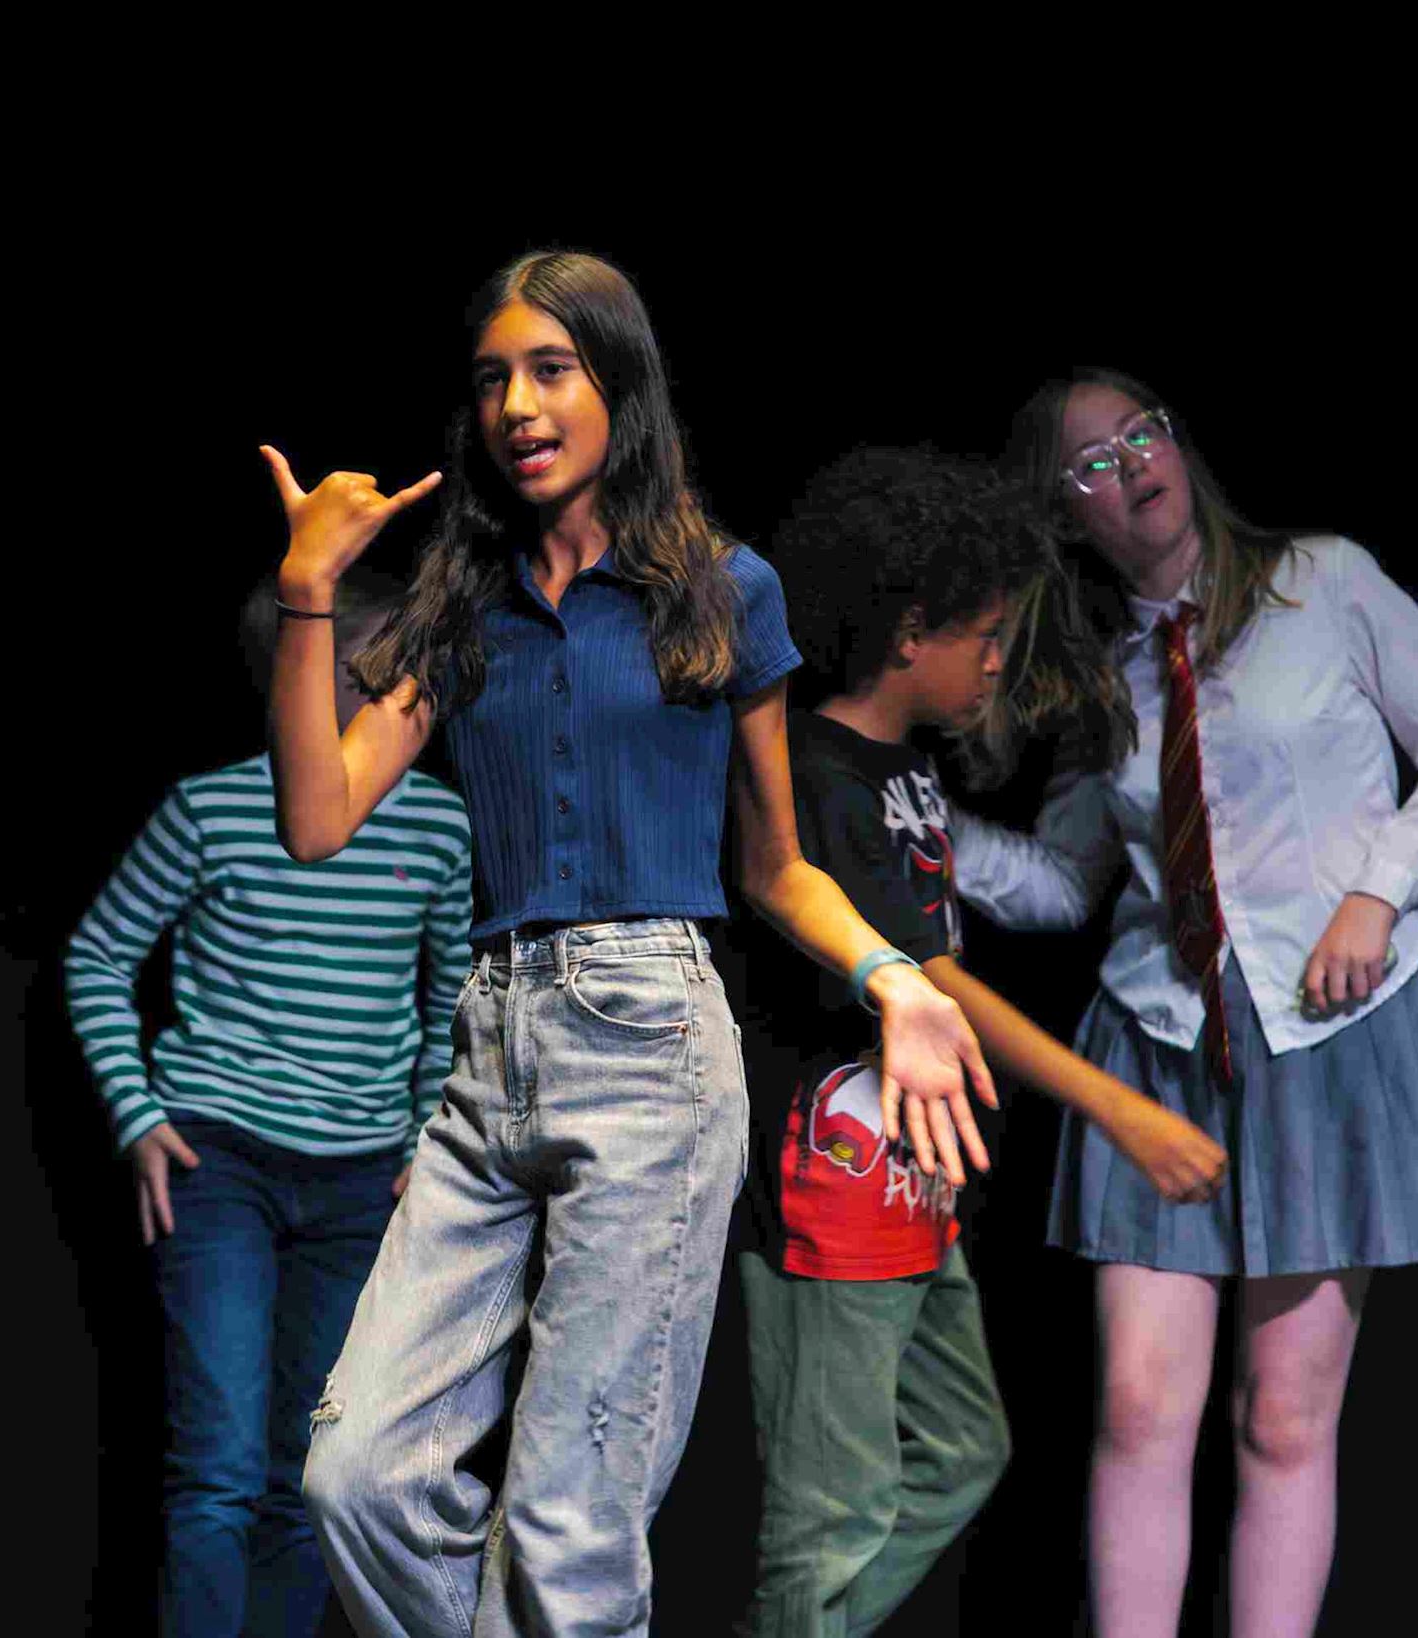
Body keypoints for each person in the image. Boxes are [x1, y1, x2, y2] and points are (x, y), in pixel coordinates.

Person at [262, 249, 997, 1636]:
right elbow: (315, 814)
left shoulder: (720, 589)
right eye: (491, 378)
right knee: (354, 1476)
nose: (517, 404)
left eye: (551, 369)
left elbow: (774, 866)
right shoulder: (456, 605)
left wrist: (890, 975)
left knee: (565, 1524)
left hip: (651, 1043)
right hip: (491, 1052)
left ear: (619, 385)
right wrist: (310, 590)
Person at [949, 369, 1418, 1636]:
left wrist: (1375, 894)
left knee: (1281, 1414)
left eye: (1141, 433)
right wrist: (919, 831)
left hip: (1330, 1041)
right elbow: (1062, 883)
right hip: (1158, 1043)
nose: (1131, 464)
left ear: (1181, 443)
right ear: (1062, 512)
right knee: (1141, 1408)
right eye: (1092, 461)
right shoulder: (1106, 675)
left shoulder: (1328, 583)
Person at [730, 447, 1227, 1636]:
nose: (997, 659)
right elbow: (940, 984)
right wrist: (1120, 1106)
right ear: (912, 631)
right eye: (986, 633)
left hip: (917, 1182)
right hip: (828, 1191)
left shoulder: (904, 773)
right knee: (828, 1511)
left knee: (960, 1450)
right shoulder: (812, 772)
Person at [64, 569, 473, 1637]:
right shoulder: (211, 807)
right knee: (220, 1467)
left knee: (313, 1471)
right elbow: (100, 953)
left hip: (356, 1182)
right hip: (222, 1164)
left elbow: (451, 996)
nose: (417, 690)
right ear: (321, 674)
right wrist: (139, 1114)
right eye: (393, 669)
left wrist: (426, 1138)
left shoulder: (437, 827)